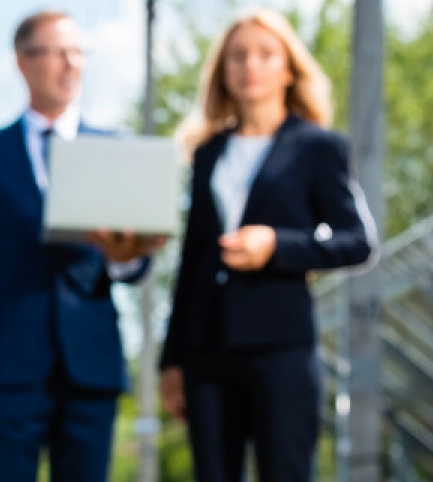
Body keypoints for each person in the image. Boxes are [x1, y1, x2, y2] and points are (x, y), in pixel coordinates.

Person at [0, 10, 163, 481]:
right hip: (12, 365)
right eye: (57, 53)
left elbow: (133, 261)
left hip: (91, 365)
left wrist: (125, 259)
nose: (71, 65)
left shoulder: (113, 151)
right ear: (23, 62)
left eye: (78, 53)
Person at [157, 8, 376, 481]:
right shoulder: (206, 153)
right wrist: (171, 360)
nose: (249, 65)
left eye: (264, 54)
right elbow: (191, 261)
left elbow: (357, 242)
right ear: (222, 71)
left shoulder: (319, 147)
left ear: (289, 68)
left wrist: (277, 245)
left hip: (282, 347)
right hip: (206, 350)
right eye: (237, 56)